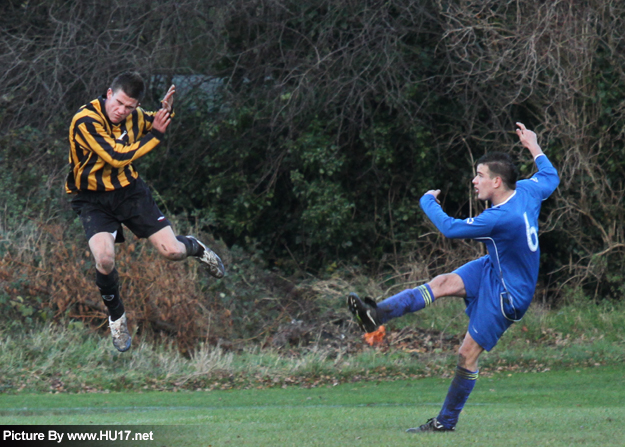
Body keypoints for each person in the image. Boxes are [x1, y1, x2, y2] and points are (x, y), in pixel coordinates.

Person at [347, 123, 559, 432]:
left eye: (480, 175)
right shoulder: (527, 189)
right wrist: (534, 146)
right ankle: (374, 314)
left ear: (497, 182)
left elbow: (450, 228)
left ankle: (445, 423)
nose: (474, 180)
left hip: (508, 296)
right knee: (441, 282)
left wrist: (427, 202)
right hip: (493, 269)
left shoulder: (500, 218)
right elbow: (551, 176)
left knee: (466, 355)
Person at [66, 71, 225, 353]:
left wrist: (166, 112)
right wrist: (156, 136)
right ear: (108, 93)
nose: (122, 111)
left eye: (130, 107)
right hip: (92, 199)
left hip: (130, 193)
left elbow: (154, 121)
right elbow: (116, 156)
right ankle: (116, 317)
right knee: (104, 259)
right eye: (119, 103)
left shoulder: (134, 115)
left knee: (173, 252)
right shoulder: (85, 120)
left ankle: (196, 247)